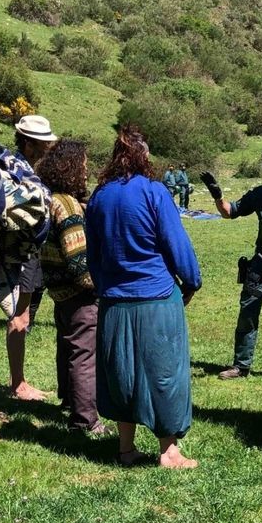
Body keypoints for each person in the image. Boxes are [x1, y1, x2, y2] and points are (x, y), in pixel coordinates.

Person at [86, 126, 202, 468]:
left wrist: (106, 285)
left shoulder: (99, 196)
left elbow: (94, 254)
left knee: (121, 375)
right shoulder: (155, 192)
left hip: (114, 301)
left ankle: (126, 448)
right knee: (164, 373)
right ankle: (169, 450)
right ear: (144, 157)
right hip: (155, 298)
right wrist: (191, 281)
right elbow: (176, 243)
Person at [36, 139, 108, 435]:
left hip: (57, 288)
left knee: (66, 346)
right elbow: (79, 262)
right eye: (83, 164)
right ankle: (85, 420)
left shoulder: (50, 198)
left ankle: (68, 399)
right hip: (78, 292)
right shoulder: (66, 206)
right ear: (71, 167)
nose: (86, 169)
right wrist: (99, 287)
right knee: (83, 353)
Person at [200, 147, 262, 379]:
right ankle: (241, 366)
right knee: (247, 315)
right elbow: (229, 212)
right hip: (261, 265)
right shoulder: (260, 194)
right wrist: (217, 194)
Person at [7, 114, 58, 401]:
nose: (46, 149)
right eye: (42, 144)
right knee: (20, 316)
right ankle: (18, 385)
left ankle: (19, 381)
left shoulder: (28, 168)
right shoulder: (17, 169)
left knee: (22, 314)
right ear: (28, 143)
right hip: (22, 252)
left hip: (30, 251)